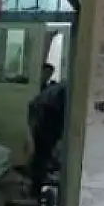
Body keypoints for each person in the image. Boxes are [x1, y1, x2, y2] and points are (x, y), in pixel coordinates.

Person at [27, 63, 66, 196]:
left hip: (43, 117)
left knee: (41, 156)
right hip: (47, 118)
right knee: (42, 156)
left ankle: (35, 187)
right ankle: (36, 188)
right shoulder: (62, 91)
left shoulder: (56, 89)